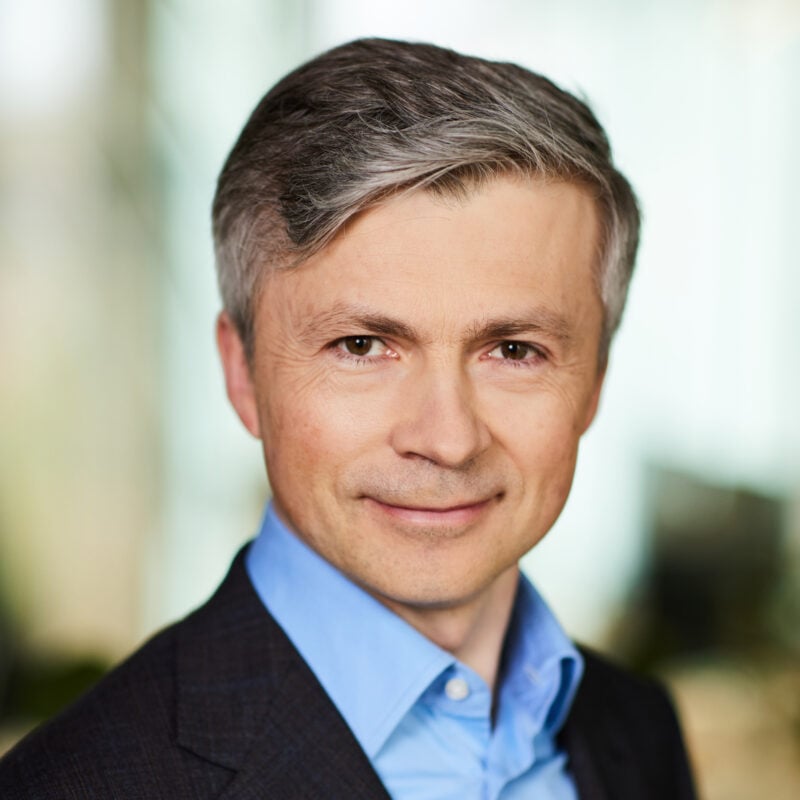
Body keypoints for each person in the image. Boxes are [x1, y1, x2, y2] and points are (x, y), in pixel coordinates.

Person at [0, 38, 697, 799]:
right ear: (243, 373)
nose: (448, 439)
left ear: (594, 380)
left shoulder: (639, 731)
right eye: (362, 346)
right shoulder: (75, 786)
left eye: (514, 350)